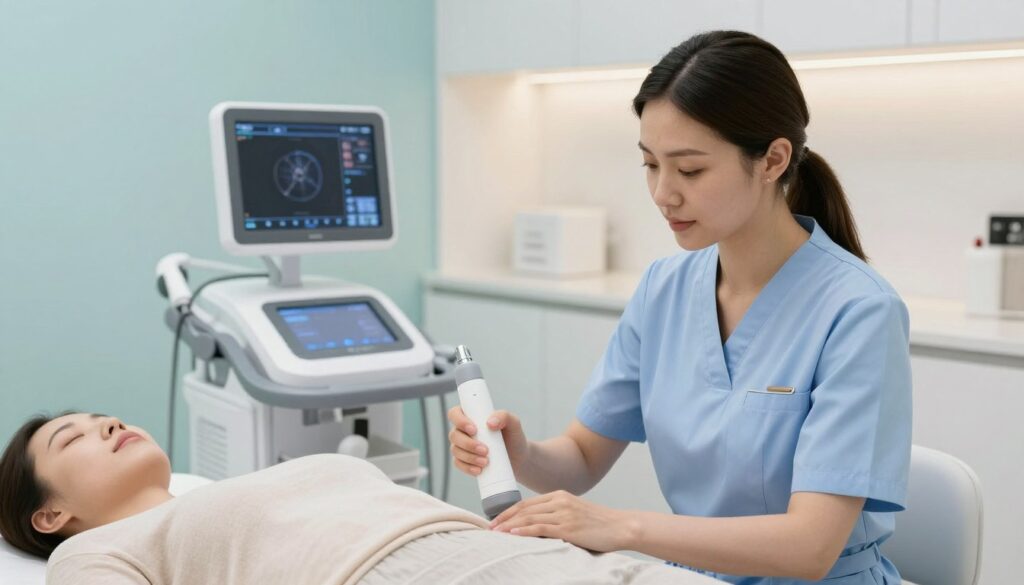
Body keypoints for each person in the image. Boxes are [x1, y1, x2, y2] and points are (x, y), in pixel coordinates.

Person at [448, 30, 912, 585]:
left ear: (772, 160)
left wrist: (618, 527)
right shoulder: (664, 288)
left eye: (689, 170)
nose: (663, 193)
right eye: (650, 165)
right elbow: (581, 457)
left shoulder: (859, 311)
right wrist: (518, 452)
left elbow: (809, 547)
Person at [0, 412, 722, 585]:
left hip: (533, 553)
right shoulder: (90, 549)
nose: (106, 423)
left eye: (105, 417)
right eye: (75, 438)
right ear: (50, 514)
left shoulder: (223, 488)